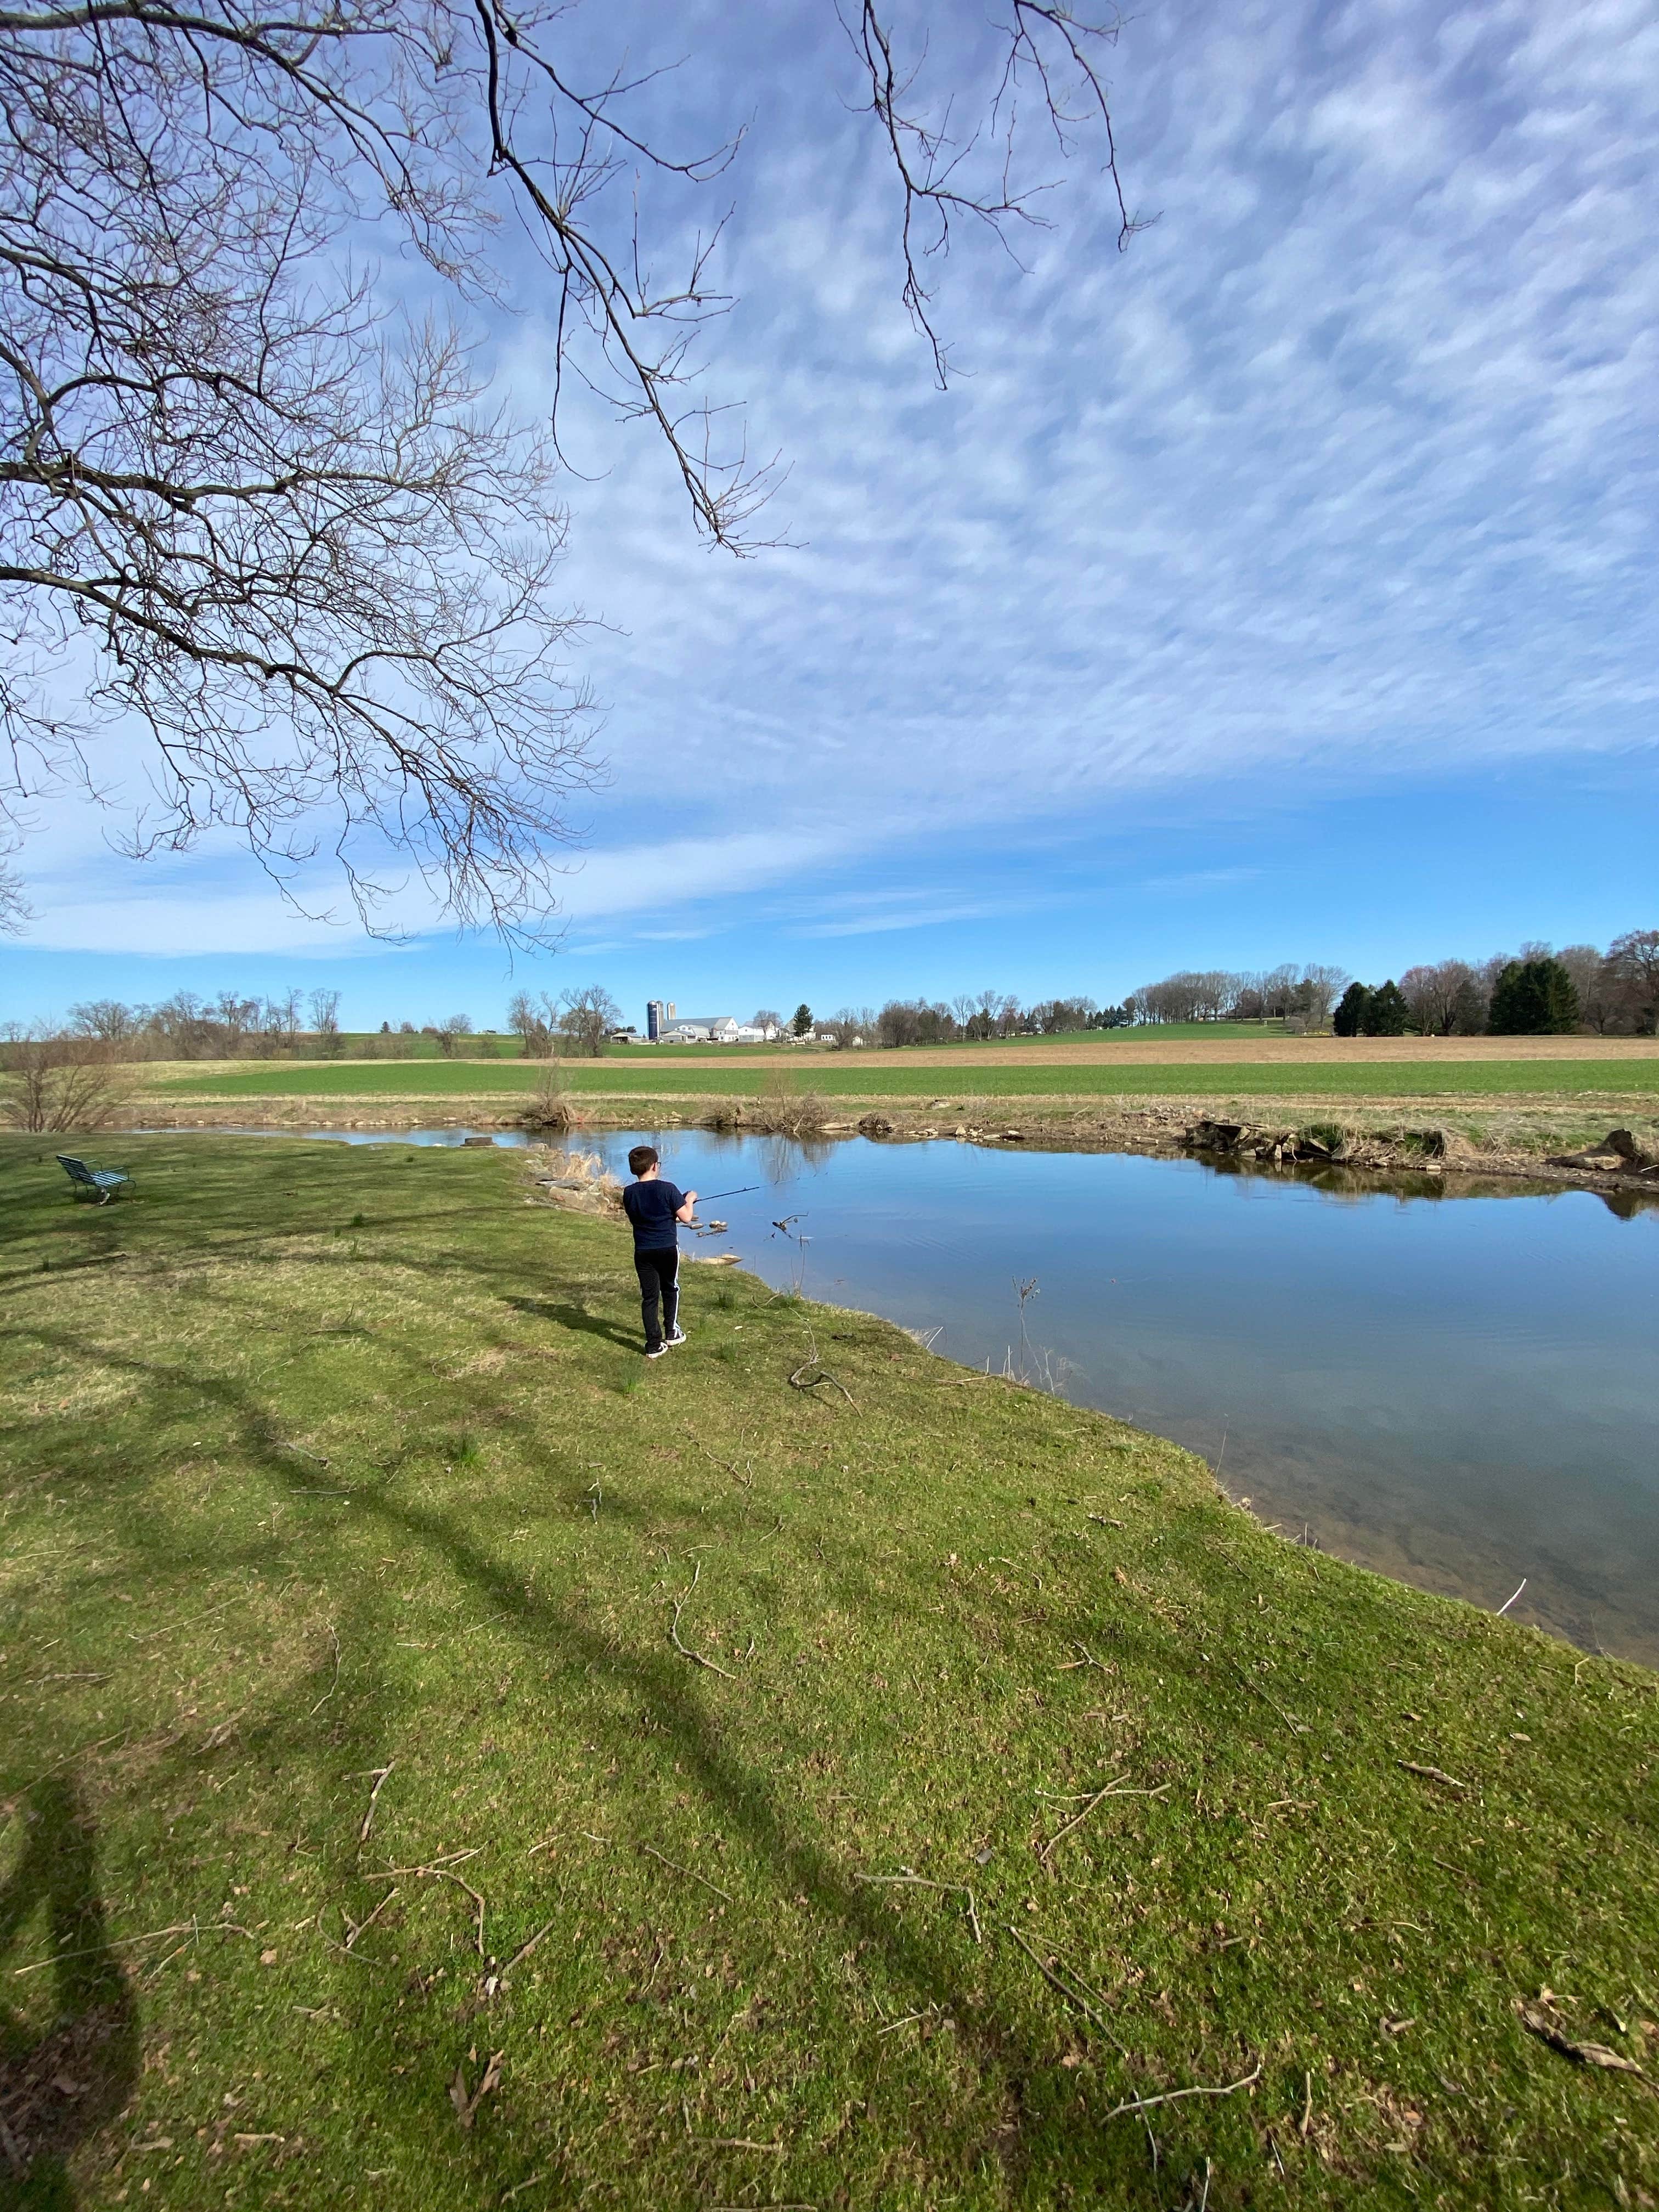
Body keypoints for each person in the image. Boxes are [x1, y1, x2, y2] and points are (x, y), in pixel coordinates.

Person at [619, 1144, 696, 1359]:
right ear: (654, 1166)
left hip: (643, 1251)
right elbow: (687, 1217)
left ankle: (653, 1345)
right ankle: (671, 1333)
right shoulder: (668, 1189)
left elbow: (641, 1216)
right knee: (671, 1289)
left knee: (649, 1297)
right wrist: (689, 1200)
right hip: (667, 1250)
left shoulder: (629, 1193)